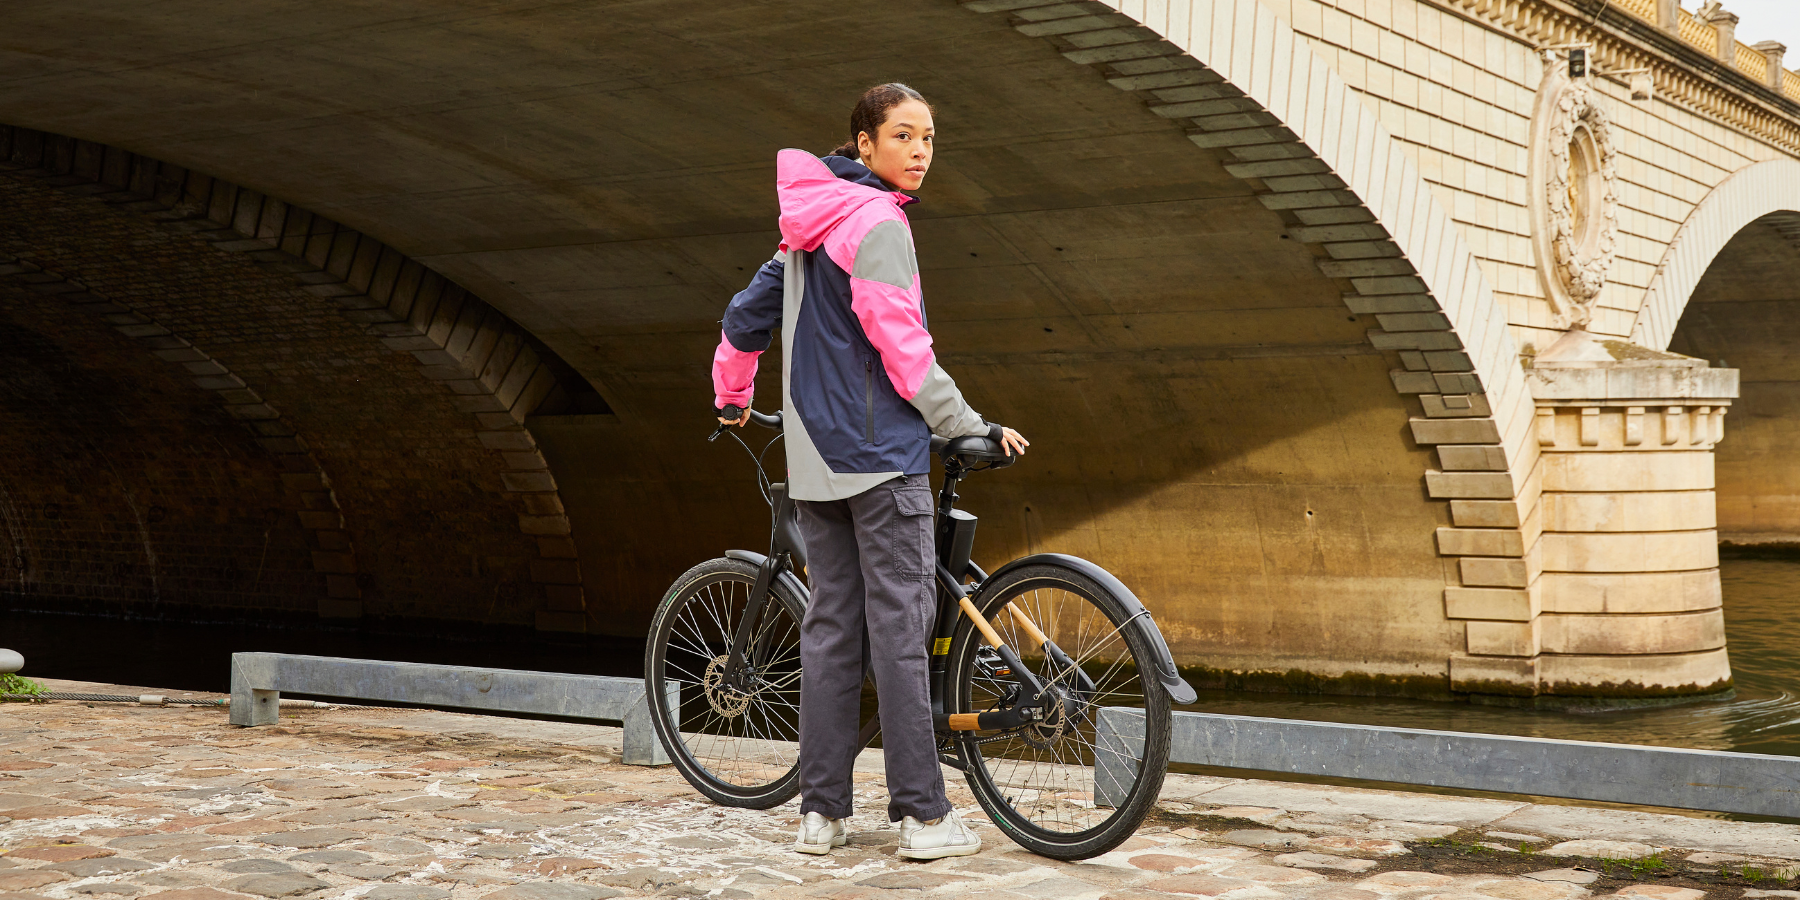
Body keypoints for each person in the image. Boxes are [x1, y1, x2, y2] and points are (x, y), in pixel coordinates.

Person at [710, 83, 1028, 860]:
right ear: (863, 144)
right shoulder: (879, 223)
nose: (920, 151)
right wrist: (966, 424)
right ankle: (922, 816)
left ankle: (821, 815)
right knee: (898, 631)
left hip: (815, 463)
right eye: (903, 136)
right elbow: (902, 345)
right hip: (882, 461)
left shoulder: (804, 228)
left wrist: (733, 398)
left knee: (829, 635)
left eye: (929, 137)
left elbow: (743, 321)